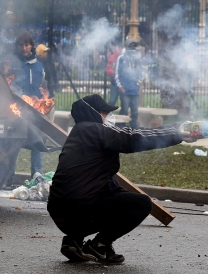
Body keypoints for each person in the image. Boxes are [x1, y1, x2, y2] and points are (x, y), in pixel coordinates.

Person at [47, 94, 193, 264]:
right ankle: (99, 246)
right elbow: (135, 137)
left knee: (109, 194)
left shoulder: (78, 134)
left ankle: (74, 240)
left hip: (60, 213)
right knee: (142, 203)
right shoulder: (96, 130)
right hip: (80, 209)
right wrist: (177, 131)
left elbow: (106, 184)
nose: (109, 116)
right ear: (92, 112)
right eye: (105, 112)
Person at [11, 32, 46, 177]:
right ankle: (8, 176)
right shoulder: (13, 64)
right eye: (21, 45)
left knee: (37, 142)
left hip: (35, 110)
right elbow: (11, 85)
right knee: (13, 143)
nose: (24, 48)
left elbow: (43, 85)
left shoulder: (39, 65)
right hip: (18, 109)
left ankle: (37, 174)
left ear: (31, 45)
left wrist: (40, 99)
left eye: (27, 45)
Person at [115, 41, 143, 128]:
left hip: (135, 90)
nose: (132, 49)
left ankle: (134, 129)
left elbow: (140, 72)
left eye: (134, 47)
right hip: (125, 90)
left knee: (135, 112)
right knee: (124, 110)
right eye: (131, 47)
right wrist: (120, 86)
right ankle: (120, 127)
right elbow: (116, 74)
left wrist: (140, 80)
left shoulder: (137, 59)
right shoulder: (121, 58)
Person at [105, 41, 121, 106]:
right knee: (112, 101)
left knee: (124, 103)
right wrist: (116, 73)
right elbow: (107, 70)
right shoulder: (112, 57)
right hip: (115, 83)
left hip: (124, 84)